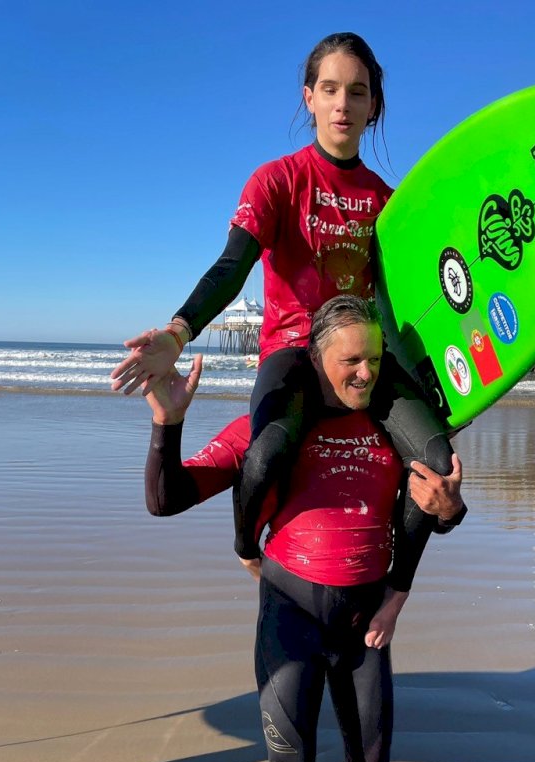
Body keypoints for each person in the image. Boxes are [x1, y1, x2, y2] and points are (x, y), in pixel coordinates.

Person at [142, 296, 465, 762]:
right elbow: (166, 498)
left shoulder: (392, 430)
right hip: (289, 621)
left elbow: (435, 510)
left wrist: (448, 512)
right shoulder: (276, 427)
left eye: (376, 362)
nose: (365, 374)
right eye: (352, 360)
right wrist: (168, 424)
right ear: (317, 357)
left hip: (363, 630)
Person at [111, 30, 454, 646]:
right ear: (310, 98)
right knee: (266, 452)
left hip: (360, 355)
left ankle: (394, 594)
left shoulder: (387, 202)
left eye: (358, 91)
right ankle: (249, 548)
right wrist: (179, 330)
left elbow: (419, 303)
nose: (343, 103)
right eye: (330, 90)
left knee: (437, 463)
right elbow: (230, 266)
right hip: (294, 353)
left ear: (375, 104)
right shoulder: (276, 180)